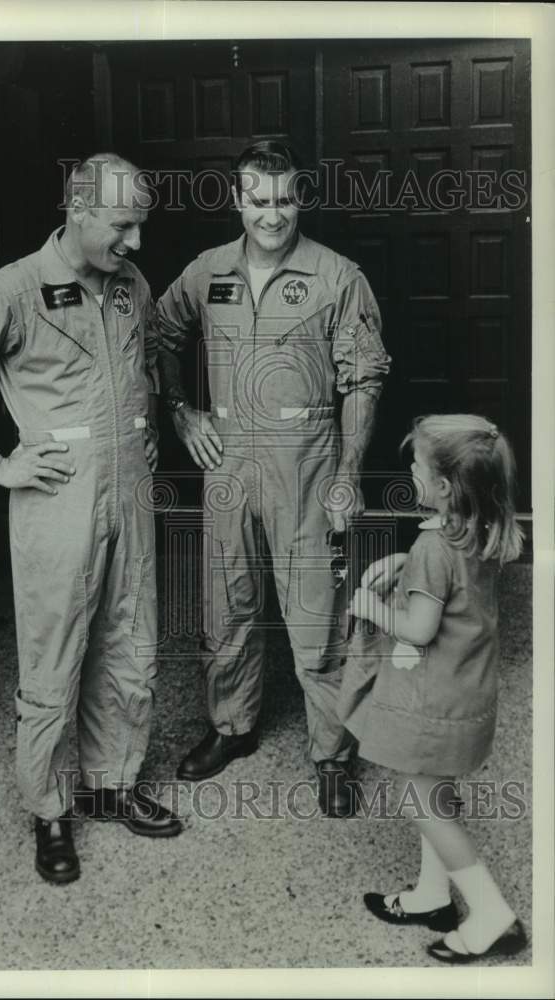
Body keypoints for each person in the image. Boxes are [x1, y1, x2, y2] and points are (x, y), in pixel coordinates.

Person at [0, 153, 182, 886]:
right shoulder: (12, 290)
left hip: (130, 488)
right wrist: (0, 465)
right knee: (54, 653)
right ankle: (50, 809)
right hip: (58, 497)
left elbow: (146, 361)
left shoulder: (131, 284)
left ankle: (111, 783)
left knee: (131, 640)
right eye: (123, 227)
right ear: (78, 210)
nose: (135, 243)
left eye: (139, 227)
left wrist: (153, 422)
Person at [156, 140, 390, 817]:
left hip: (307, 458)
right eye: (258, 200)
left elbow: (363, 378)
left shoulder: (336, 276)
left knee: (315, 614)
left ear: (300, 198)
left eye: (283, 198)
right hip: (228, 460)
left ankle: (332, 752)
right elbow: (159, 334)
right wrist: (181, 412)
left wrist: (348, 470)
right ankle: (230, 725)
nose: (271, 213)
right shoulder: (207, 272)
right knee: (226, 603)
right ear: (238, 201)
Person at [343, 414, 527, 963]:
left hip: (432, 703)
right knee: (433, 791)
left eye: (416, 466)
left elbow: (421, 628)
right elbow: (454, 585)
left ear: (444, 488)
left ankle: (491, 914)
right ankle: (430, 896)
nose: (411, 472)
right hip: (465, 695)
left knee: (423, 803)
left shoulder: (434, 549)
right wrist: (407, 565)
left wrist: (368, 604)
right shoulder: (478, 530)